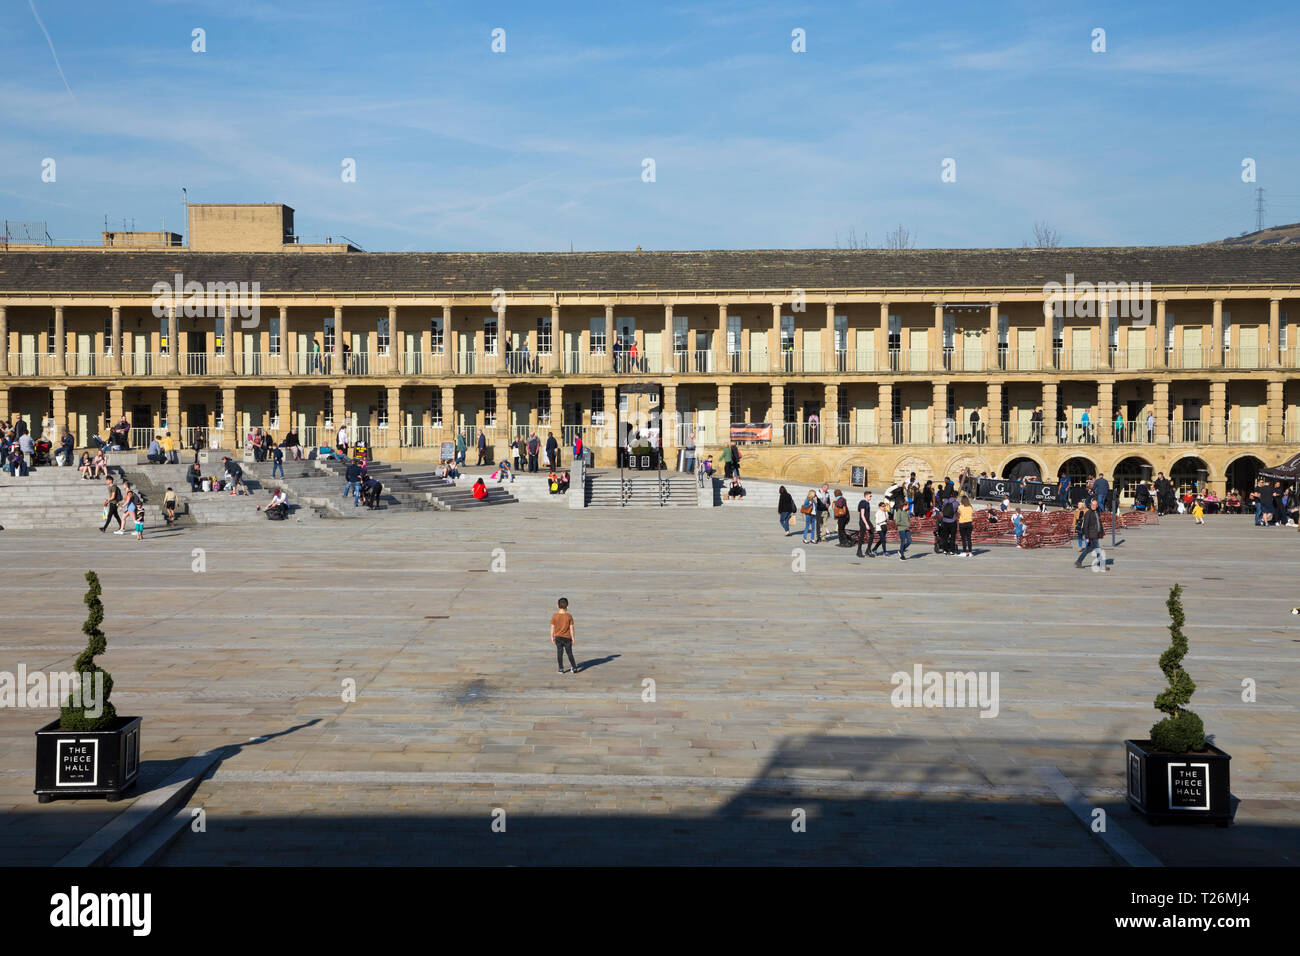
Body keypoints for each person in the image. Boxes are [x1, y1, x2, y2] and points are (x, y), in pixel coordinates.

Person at [1075, 499, 1106, 571]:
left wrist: (1103, 533)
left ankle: (1078, 561)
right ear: (1090, 505)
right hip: (1091, 535)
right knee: (1098, 549)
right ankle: (1101, 564)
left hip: (1096, 534)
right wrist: (1086, 537)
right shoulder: (1088, 513)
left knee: (1087, 549)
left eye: (1095, 505)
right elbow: (1085, 526)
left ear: (1097, 506)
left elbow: (1099, 524)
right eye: (1092, 505)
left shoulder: (1097, 512)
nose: (1094, 506)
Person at [551, 597, 578, 674]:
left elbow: (552, 627)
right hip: (567, 638)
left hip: (558, 637)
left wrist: (552, 636)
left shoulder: (554, 616)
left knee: (559, 653)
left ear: (557, 606)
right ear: (567, 606)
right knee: (569, 653)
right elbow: (571, 627)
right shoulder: (569, 616)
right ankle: (574, 667)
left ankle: (561, 668)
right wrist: (573, 637)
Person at [855, 491, 874, 557]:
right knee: (862, 536)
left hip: (868, 521)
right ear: (866, 496)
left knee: (872, 534)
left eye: (871, 496)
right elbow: (862, 515)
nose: (871, 497)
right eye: (870, 496)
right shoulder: (863, 503)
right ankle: (859, 551)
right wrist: (866, 524)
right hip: (863, 521)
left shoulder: (867, 503)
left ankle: (868, 550)